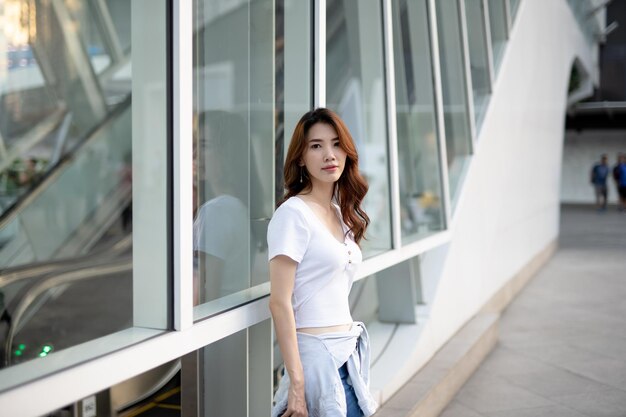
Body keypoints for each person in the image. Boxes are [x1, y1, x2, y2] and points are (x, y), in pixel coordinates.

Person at [268, 108, 378, 417]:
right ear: (301, 158)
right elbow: (279, 302)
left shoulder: (340, 214)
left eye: (336, 144)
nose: (329, 154)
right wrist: (297, 384)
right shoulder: (292, 214)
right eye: (316, 146)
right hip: (316, 361)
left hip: (347, 357)